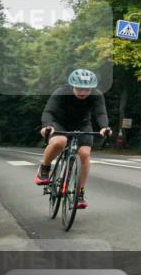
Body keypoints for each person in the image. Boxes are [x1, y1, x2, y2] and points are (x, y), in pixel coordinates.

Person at [35, 69, 113, 208]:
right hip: (60, 123)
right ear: (72, 86)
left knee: (84, 154)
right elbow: (49, 111)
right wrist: (47, 126)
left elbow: (100, 113)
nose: (83, 93)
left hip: (82, 124)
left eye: (87, 89)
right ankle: (44, 168)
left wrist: (104, 127)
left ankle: (80, 194)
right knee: (60, 141)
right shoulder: (61, 92)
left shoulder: (97, 95)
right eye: (79, 89)